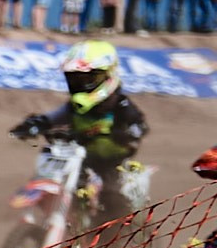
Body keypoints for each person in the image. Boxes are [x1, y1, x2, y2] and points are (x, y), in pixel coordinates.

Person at [14, 41, 149, 221]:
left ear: (108, 75)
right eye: (75, 79)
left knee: (113, 200)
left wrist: (130, 132)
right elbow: (55, 116)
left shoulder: (119, 105)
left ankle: (121, 237)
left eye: (88, 79)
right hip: (81, 160)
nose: (80, 84)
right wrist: (36, 123)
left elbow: (139, 124)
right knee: (53, 178)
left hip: (112, 163)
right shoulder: (75, 106)